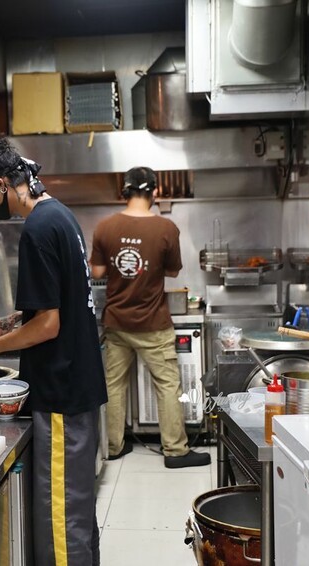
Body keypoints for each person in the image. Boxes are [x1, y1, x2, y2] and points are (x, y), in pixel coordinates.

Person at [0, 135, 107, 566]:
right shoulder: (59, 215)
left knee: (61, 522)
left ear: (0, 184)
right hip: (78, 388)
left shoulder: (37, 229)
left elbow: (49, 325)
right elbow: (60, 300)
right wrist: (13, 320)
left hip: (60, 395)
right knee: (76, 514)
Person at [90, 166, 210, 469]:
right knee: (167, 385)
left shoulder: (104, 227)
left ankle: (113, 446)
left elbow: (97, 271)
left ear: (125, 191)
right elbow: (173, 271)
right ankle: (175, 451)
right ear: (154, 192)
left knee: (113, 385)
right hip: (153, 323)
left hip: (117, 321)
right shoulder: (166, 229)